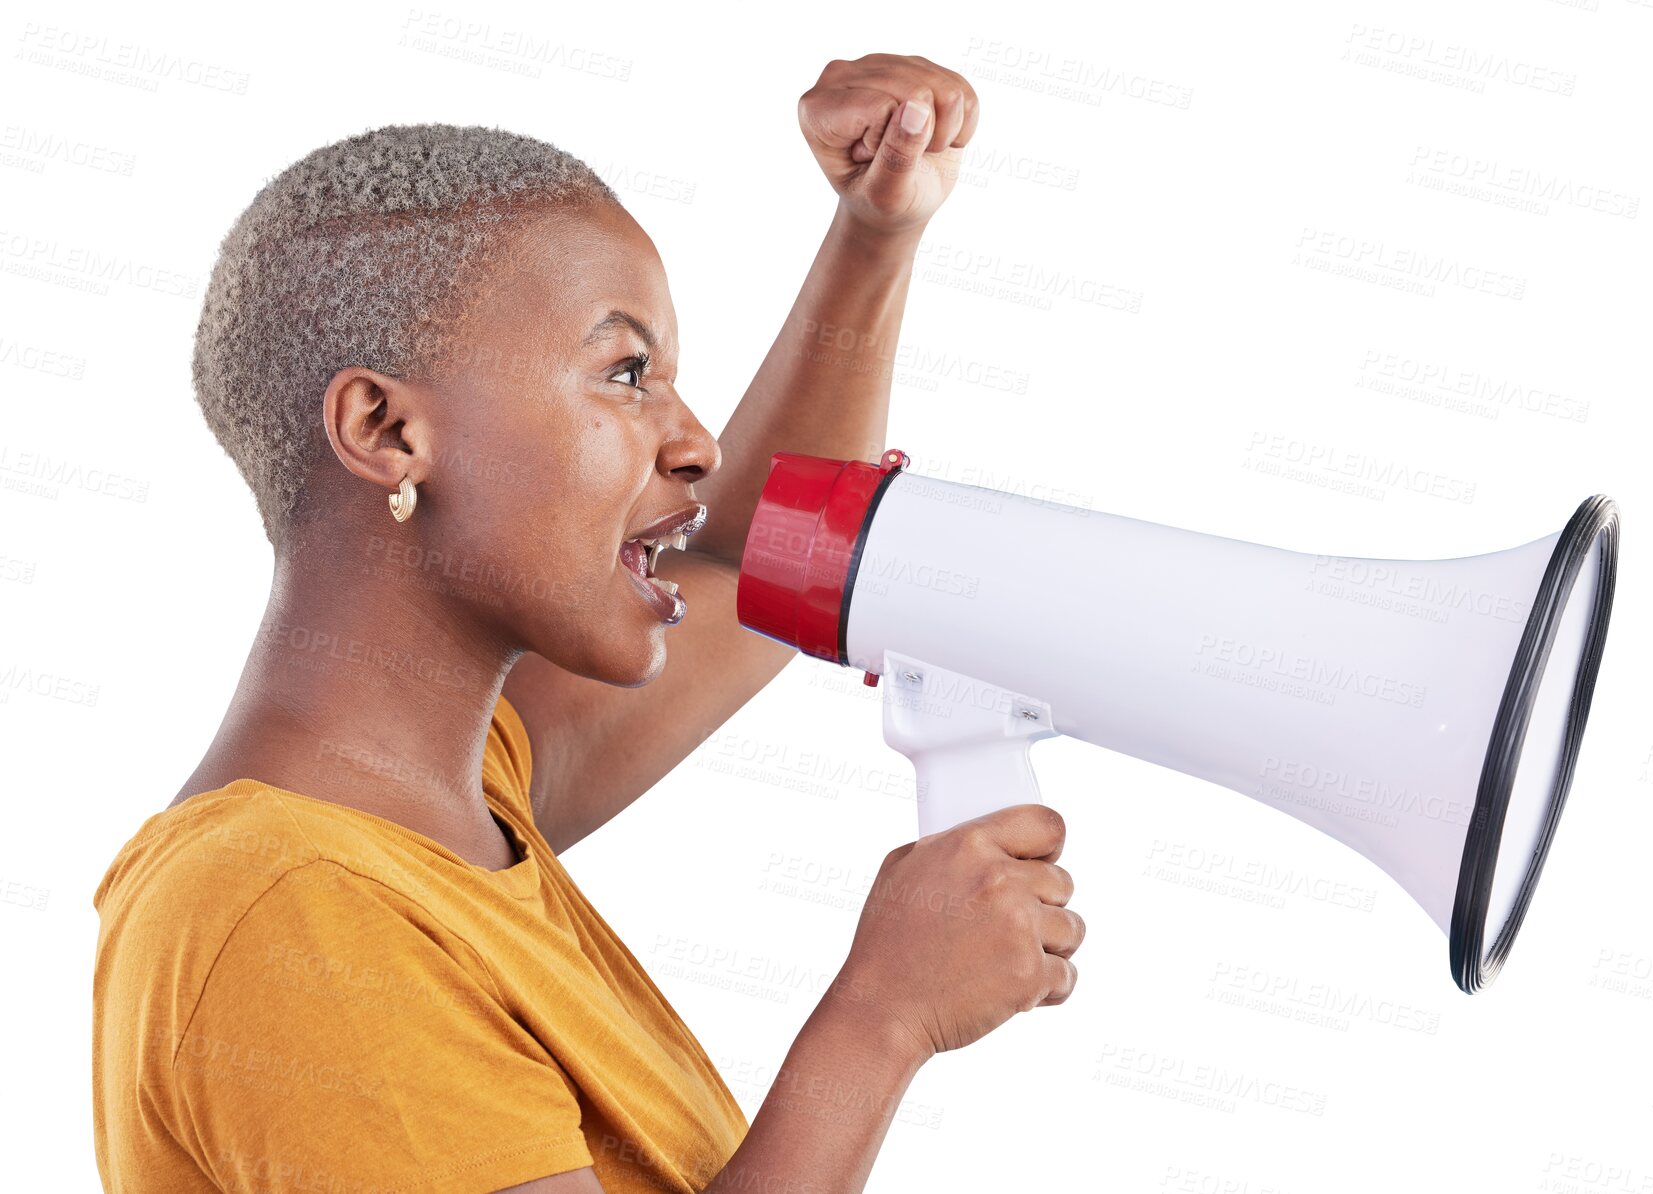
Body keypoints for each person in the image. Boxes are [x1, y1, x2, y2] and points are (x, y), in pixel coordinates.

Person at [91, 53, 1084, 1193]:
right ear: (387, 429)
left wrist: (875, 232)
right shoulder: (290, 912)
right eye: (623, 372)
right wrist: (881, 1020)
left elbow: (768, 554)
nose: (697, 440)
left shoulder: (457, 805)